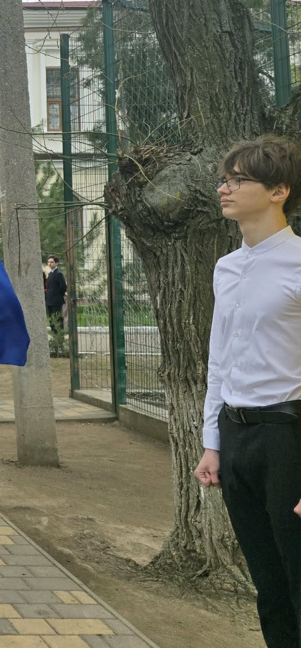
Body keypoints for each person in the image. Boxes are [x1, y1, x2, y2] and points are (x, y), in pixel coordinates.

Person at [194, 136, 301, 648]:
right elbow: (221, 359)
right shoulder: (226, 267)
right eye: (225, 178)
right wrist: (213, 442)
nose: (225, 187)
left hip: (288, 437)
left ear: (279, 190)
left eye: (239, 180)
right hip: (236, 439)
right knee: (268, 583)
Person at [44, 254, 67, 334]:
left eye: (52, 262)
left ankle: (60, 339)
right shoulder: (50, 274)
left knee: (58, 320)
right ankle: (55, 338)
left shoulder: (59, 274)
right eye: (48, 262)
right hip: (49, 301)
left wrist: (58, 295)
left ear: (56, 263)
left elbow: (63, 287)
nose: (49, 264)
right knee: (51, 321)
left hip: (56, 302)